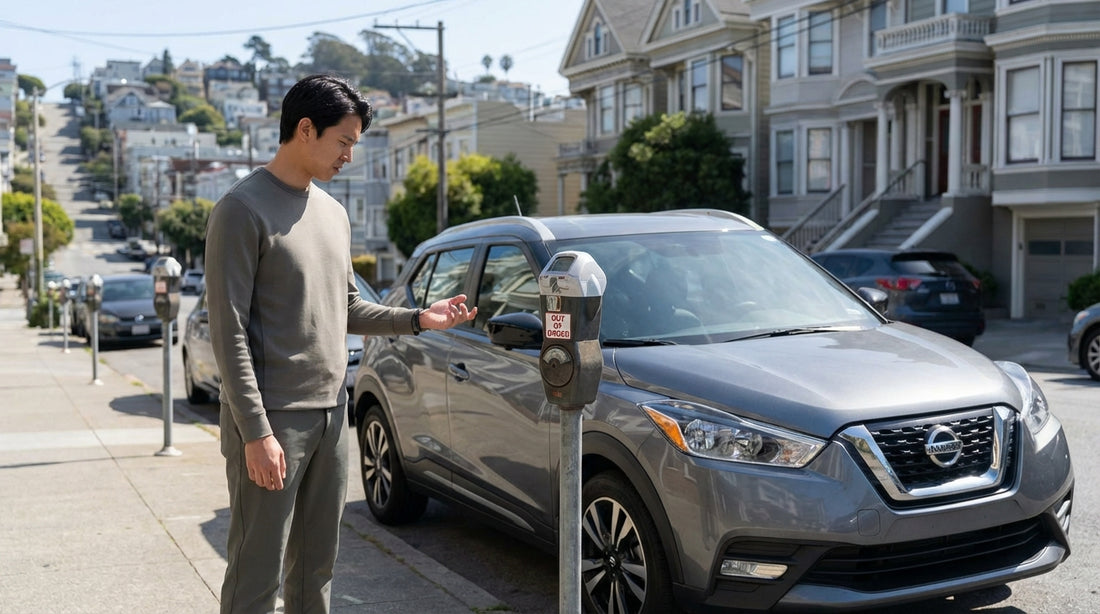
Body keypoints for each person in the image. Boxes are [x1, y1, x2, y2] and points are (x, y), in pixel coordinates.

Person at [204, 74, 476, 614]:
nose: (349, 156)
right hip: (273, 420)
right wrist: (255, 432)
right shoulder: (240, 209)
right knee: (256, 576)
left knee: (316, 572)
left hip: (333, 413)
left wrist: (419, 319)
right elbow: (227, 331)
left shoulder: (333, 212)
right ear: (306, 129)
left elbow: (348, 307)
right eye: (344, 142)